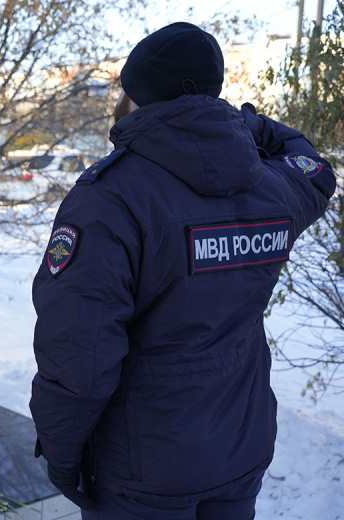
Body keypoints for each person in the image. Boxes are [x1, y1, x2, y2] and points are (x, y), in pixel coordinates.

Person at [29, 22, 336, 519]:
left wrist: (62, 456)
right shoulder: (272, 188)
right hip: (239, 446)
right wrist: (248, 125)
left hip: (144, 471)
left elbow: (79, 356)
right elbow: (313, 167)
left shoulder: (108, 200)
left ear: (135, 91)